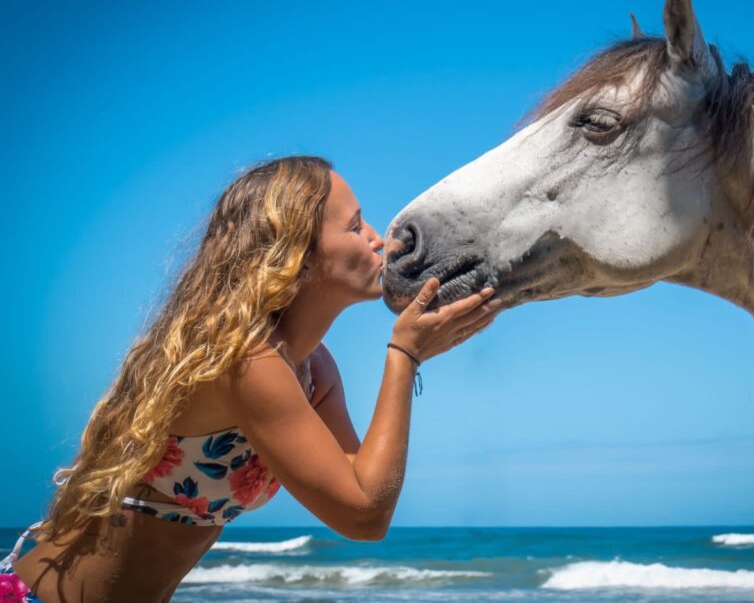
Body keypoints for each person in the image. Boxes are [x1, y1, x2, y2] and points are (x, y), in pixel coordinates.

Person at [0, 156, 500, 602]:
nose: (377, 239)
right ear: (298, 256)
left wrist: (412, 350)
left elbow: (363, 485)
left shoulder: (314, 367)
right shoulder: (245, 360)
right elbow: (363, 516)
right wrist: (404, 355)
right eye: (354, 227)